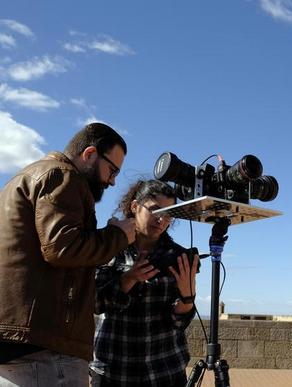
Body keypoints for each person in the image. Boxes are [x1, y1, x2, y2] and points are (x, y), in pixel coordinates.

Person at [0, 122, 136, 386]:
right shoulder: (63, 175)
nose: (113, 180)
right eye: (112, 169)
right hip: (45, 351)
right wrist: (119, 235)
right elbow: (63, 248)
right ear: (89, 154)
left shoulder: (20, 179)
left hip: (23, 345)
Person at [90, 179, 199, 387]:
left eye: (168, 214)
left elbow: (178, 323)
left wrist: (187, 298)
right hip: (114, 369)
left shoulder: (176, 256)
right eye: (155, 210)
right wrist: (129, 278)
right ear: (134, 206)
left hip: (165, 370)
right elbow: (95, 303)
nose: (161, 220)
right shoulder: (109, 245)